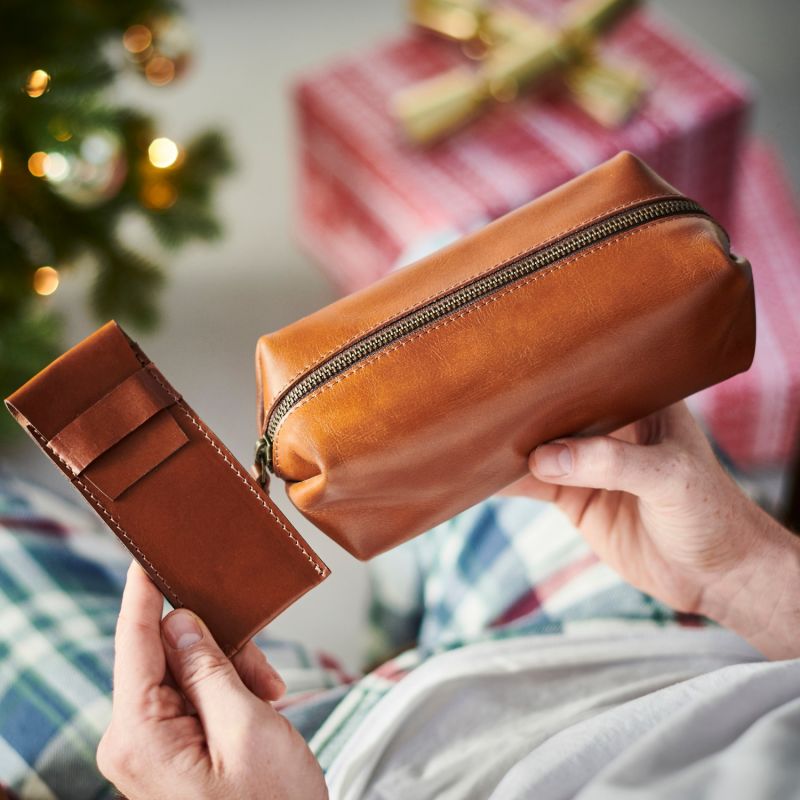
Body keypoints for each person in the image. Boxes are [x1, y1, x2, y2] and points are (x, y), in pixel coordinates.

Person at [91, 402, 800, 799]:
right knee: (413, 350)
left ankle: (392, 648)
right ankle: (395, 643)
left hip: (339, 768)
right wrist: (744, 572)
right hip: (679, 641)